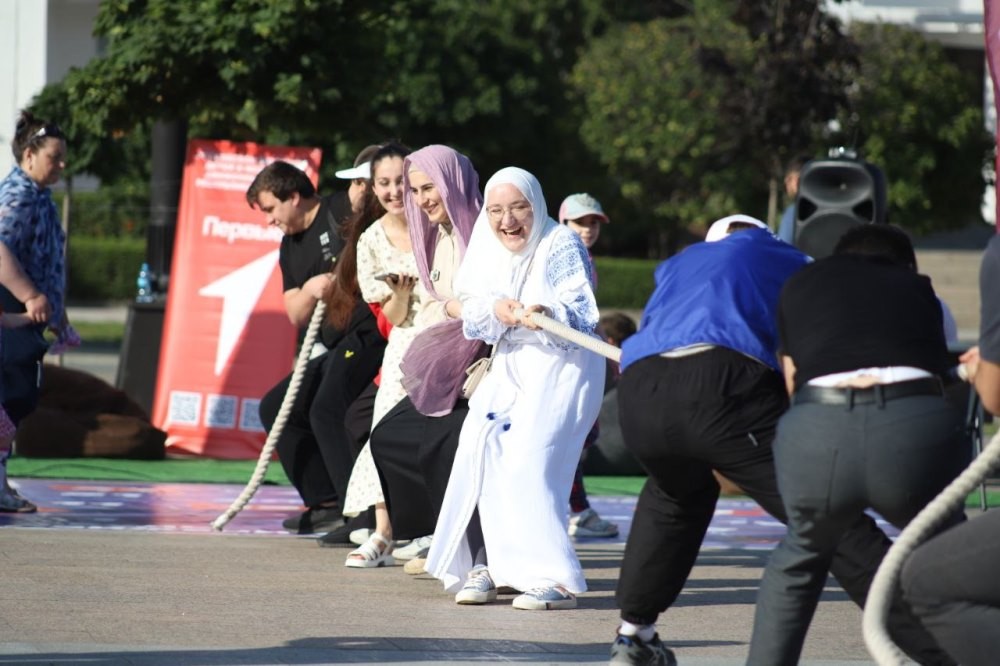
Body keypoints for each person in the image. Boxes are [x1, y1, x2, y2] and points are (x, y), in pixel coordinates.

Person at [607, 215, 952, 666]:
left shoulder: (679, 263)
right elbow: (809, 353)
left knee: (675, 494)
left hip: (640, 391)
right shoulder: (793, 261)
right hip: (720, 382)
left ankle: (634, 634)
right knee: (828, 516)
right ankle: (943, 651)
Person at [748, 223, 968, 666]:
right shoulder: (918, 288)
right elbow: (942, 374)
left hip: (817, 425)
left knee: (799, 557)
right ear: (905, 263)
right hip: (912, 426)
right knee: (954, 557)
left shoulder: (799, 285)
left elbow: (792, 381)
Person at [426, 167, 605, 611]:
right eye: (497, 210)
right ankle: (492, 565)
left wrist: (547, 310)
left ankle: (555, 579)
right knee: (478, 451)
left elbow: (583, 311)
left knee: (531, 461)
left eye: (518, 208)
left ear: (537, 206)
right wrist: (497, 309)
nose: (508, 221)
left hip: (565, 364)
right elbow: (471, 305)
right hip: (511, 362)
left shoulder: (560, 242)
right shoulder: (487, 245)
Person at [247, 152, 383, 537]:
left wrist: (372, 170)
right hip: (336, 343)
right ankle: (323, 502)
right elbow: (295, 311)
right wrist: (311, 289)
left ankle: (358, 514)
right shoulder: (289, 247)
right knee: (276, 407)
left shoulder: (340, 207)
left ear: (292, 195)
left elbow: (364, 192)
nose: (269, 220)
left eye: (271, 208)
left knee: (326, 407)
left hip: (369, 332)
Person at [366, 145, 482, 569]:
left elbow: (477, 306)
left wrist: (453, 310)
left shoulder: (482, 232)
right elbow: (428, 308)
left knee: (441, 441)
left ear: (452, 181)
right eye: (416, 190)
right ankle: (435, 536)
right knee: (389, 436)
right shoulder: (440, 236)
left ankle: (465, 552)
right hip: (443, 365)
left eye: (428, 187)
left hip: (482, 369)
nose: (421, 198)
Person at [898, 232, 1000, 666]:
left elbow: (995, 396)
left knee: (925, 582)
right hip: (924, 433)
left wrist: (983, 370)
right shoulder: (930, 302)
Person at [340, 141, 420, 568]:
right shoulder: (370, 240)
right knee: (382, 432)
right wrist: (401, 296)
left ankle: (441, 533)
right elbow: (386, 319)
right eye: (383, 183)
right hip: (404, 343)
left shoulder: (440, 225)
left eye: (401, 182)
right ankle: (383, 532)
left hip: (453, 341)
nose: (393, 191)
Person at [0, 110, 79, 513]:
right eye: (55, 156)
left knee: (17, 399)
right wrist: (30, 297)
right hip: (11, 313)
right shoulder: (17, 198)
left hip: (28, 318)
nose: (62, 165)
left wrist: (56, 313)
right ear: (29, 155)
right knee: (10, 399)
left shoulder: (38, 198)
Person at [558, 192, 618, 538]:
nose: (589, 228)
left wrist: (604, 347)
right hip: (562, 359)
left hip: (583, 356)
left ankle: (578, 509)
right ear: (564, 222)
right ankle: (576, 511)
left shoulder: (586, 258)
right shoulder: (559, 254)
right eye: (581, 221)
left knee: (582, 438)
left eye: (594, 222)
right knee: (570, 439)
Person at [775, 155, 809, 244]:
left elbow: (783, 250)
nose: (785, 182)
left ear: (799, 180)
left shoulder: (793, 212)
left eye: (790, 179)